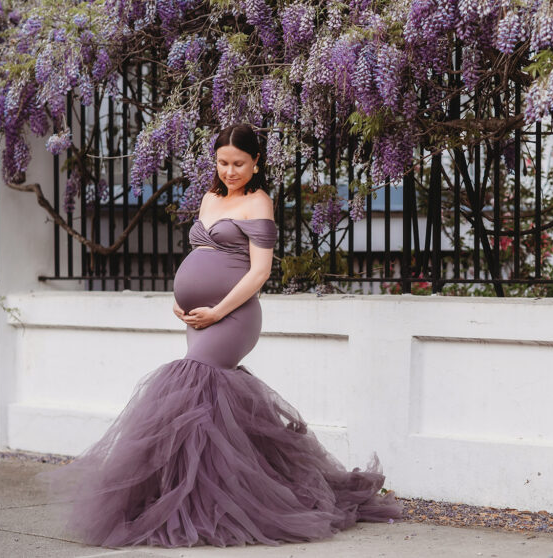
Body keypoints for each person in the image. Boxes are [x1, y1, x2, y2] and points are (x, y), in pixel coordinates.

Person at [40, 123, 402, 547]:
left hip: (234, 317)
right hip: (199, 316)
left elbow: (260, 272)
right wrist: (182, 302)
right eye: (223, 163)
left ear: (256, 163)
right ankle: (202, 500)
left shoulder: (259, 201)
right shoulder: (210, 198)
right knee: (207, 405)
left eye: (239, 164)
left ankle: (204, 507)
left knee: (189, 382)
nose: (230, 171)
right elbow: (199, 254)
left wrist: (217, 311)